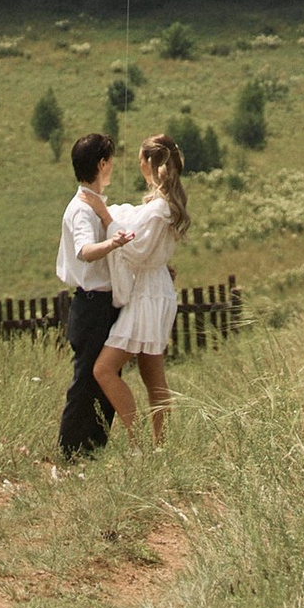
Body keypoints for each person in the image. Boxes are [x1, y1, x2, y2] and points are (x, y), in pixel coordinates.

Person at [83, 131, 189, 446]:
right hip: (155, 289)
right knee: (152, 375)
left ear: (148, 163)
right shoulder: (162, 204)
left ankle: (140, 441)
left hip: (148, 294)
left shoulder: (159, 208)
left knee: (104, 369)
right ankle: (160, 446)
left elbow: (137, 249)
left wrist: (104, 216)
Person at [52, 131, 119, 457]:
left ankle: (93, 449)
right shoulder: (82, 209)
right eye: (110, 161)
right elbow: (85, 250)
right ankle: (70, 450)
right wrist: (114, 243)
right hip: (92, 304)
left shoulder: (93, 204)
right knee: (87, 381)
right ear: (102, 164)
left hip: (100, 304)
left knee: (104, 377)